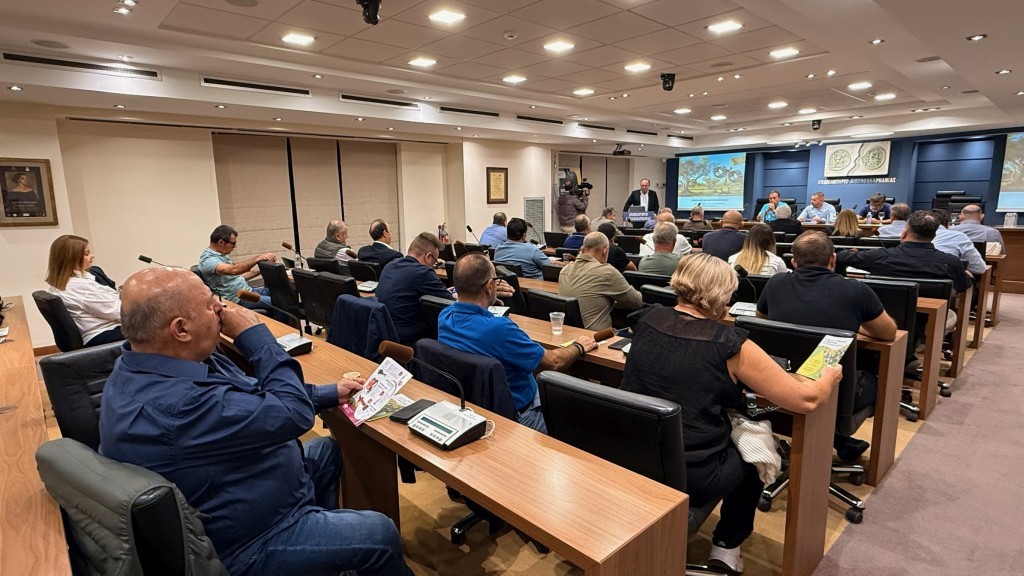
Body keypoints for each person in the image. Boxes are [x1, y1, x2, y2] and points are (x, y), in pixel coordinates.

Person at [98, 267, 412, 576]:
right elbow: (293, 414)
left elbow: (256, 398)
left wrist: (327, 392)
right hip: (250, 541)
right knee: (379, 534)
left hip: (247, 485)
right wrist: (255, 337)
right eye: (209, 303)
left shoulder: (139, 367)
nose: (221, 307)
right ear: (181, 329)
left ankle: (327, 556)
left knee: (327, 451)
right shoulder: (180, 404)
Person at [620, 253, 841, 574]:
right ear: (723, 297)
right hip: (691, 474)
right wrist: (829, 376)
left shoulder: (646, 318)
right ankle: (726, 547)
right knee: (756, 453)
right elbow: (805, 400)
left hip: (629, 456)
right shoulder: (729, 343)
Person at [756, 231, 897, 461]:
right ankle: (841, 438)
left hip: (779, 386)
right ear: (833, 259)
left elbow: (762, 319)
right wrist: (856, 327)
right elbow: (888, 332)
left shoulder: (775, 283)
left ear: (794, 262)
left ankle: (839, 441)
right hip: (834, 394)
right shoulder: (856, 290)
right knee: (877, 381)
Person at [438, 253, 597, 433]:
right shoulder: (500, 329)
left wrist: (488, 301)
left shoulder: (445, 316)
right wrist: (579, 346)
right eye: (495, 282)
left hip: (475, 405)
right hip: (523, 415)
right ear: (489, 286)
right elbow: (555, 361)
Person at [836, 210, 972, 294]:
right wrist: (966, 275)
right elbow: (963, 286)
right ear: (934, 236)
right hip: (932, 320)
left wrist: (852, 252)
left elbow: (841, 257)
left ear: (904, 232)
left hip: (882, 315)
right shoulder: (951, 262)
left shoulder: (879, 256)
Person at [374, 232, 454, 344]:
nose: (434, 265)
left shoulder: (390, 265)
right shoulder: (423, 272)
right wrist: (455, 295)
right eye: (435, 261)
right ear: (428, 257)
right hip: (408, 341)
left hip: (383, 334)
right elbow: (451, 303)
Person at [44, 235, 124, 346]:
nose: (92, 256)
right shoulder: (78, 286)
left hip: (100, 330)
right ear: (72, 258)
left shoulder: (62, 283)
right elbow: (118, 312)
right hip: (104, 334)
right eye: (86, 254)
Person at [558, 232, 643, 330]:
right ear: (605, 251)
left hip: (571, 333)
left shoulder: (565, 270)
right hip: (599, 336)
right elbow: (636, 302)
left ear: (582, 249)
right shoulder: (607, 272)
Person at [198, 224, 277, 312]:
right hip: (237, 299)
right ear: (221, 242)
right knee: (280, 303)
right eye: (233, 243)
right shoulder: (208, 260)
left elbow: (237, 276)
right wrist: (258, 258)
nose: (235, 247)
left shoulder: (221, 255)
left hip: (246, 291)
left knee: (281, 295)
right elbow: (233, 270)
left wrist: (261, 270)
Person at [931, 209, 986, 275]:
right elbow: (979, 268)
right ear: (948, 224)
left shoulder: (922, 237)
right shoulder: (958, 236)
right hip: (949, 278)